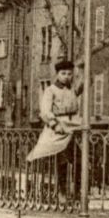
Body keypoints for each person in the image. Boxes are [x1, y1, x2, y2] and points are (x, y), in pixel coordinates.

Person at [28, 59, 84, 198]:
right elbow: (45, 111)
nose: (67, 76)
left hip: (73, 127)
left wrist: (82, 69)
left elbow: (83, 84)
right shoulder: (50, 90)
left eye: (69, 74)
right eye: (63, 73)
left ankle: (77, 193)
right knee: (62, 162)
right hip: (58, 130)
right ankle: (62, 192)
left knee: (79, 160)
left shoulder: (72, 89)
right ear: (57, 74)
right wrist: (55, 124)